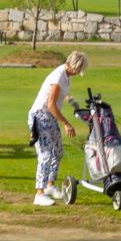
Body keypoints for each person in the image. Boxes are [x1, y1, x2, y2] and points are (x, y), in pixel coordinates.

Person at [26, 51, 87, 206]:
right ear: (74, 65)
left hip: (50, 117)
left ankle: (50, 186)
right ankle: (39, 194)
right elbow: (51, 104)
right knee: (46, 154)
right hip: (40, 115)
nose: (79, 72)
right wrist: (66, 123)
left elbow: (61, 93)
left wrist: (70, 100)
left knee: (58, 151)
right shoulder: (59, 75)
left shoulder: (67, 76)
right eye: (79, 69)